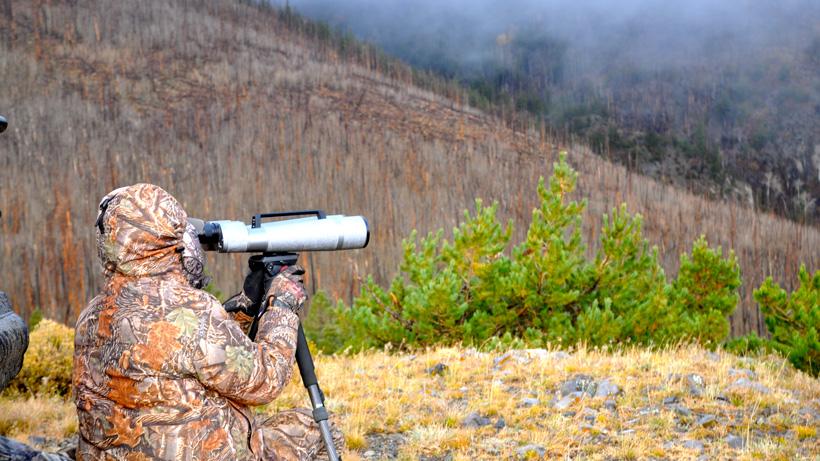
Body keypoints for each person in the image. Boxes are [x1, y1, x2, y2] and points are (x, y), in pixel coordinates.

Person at [73, 183, 342, 460]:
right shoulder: (191, 310)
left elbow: (200, 354)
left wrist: (246, 304)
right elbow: (265, 380)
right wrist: (282, 306)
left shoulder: (92, 314)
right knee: (322, 430)